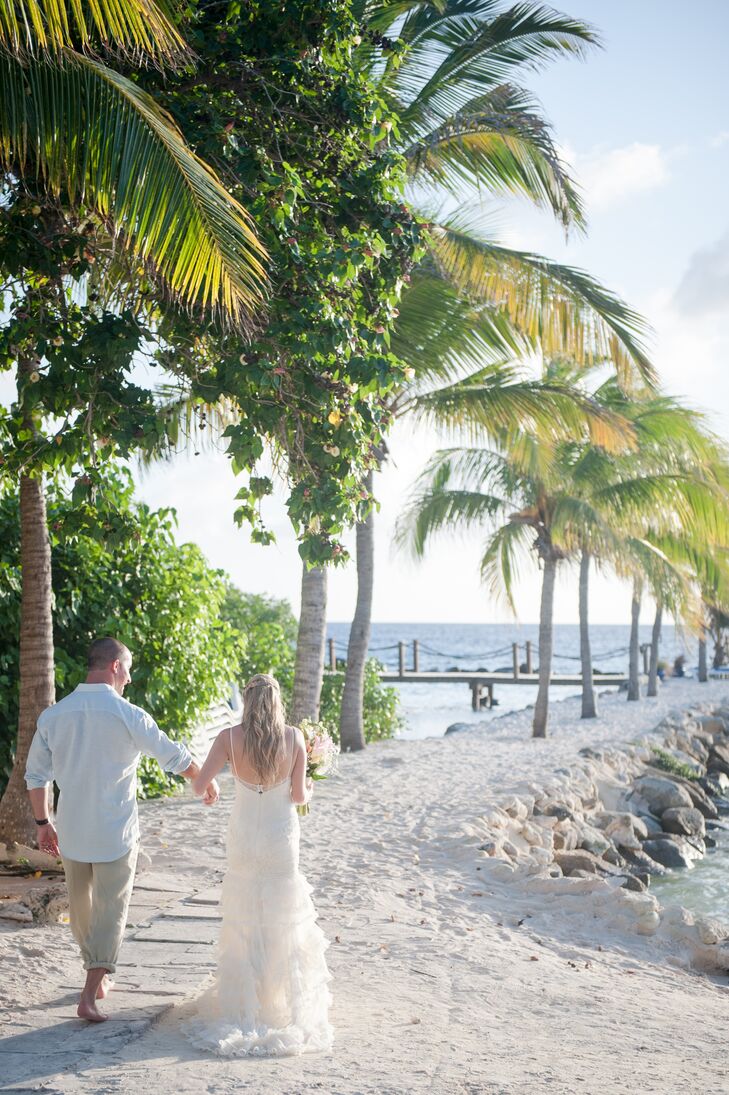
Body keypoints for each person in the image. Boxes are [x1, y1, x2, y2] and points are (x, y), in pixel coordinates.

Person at [24, 637, 219, 1023]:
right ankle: (89, 992)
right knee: (111, 911)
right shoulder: (128, 714)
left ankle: (96, 975)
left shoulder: (54, 715)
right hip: (116, 834)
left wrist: (43, 823)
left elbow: (35, 776)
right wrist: (204, 779)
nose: (129, 678)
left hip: (74, 833)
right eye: (127, 668)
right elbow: (172, 755)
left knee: (82, 912)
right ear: (115, 666)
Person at [180, 673, 333, 1057]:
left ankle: (246, 1004)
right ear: (277, 701)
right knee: (284, 917)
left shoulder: (229, 738)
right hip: (281, 840)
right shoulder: (295, 738)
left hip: (245, 838)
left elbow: (199, 786)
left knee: (245, 917)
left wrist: (212, 788)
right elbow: (298, 797)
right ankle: (281, 1003)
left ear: (247, 701)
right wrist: (310, 786)